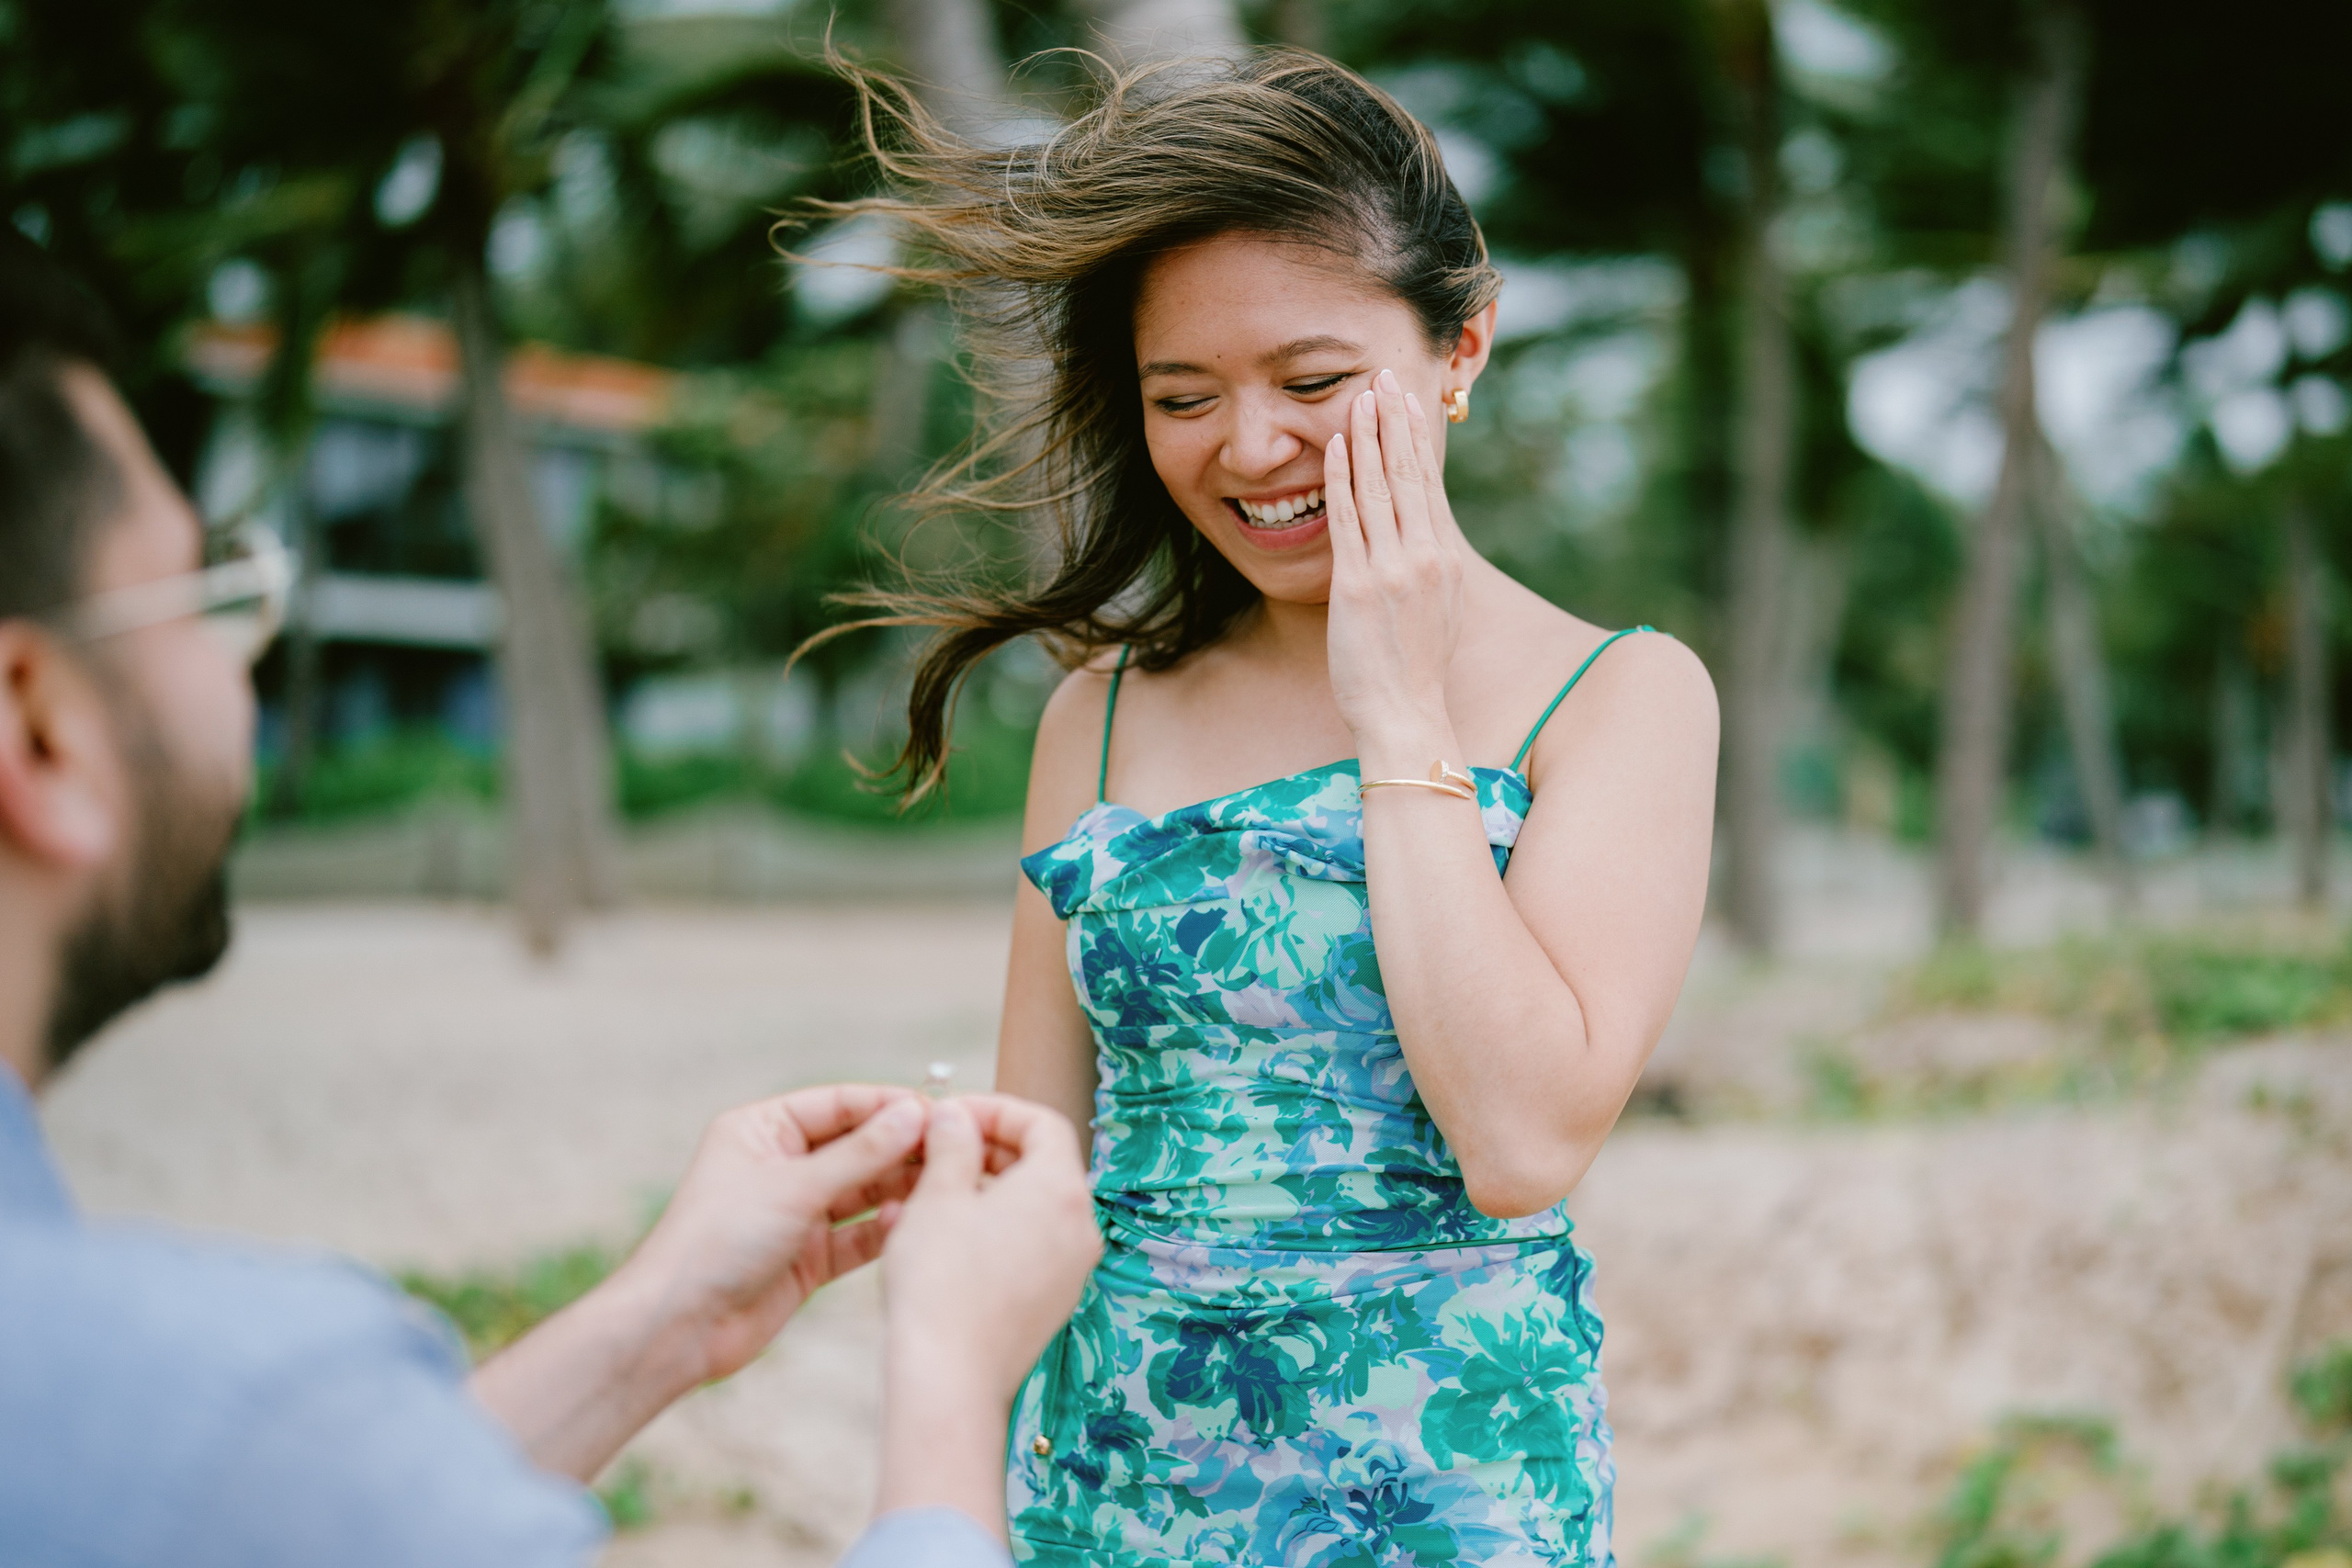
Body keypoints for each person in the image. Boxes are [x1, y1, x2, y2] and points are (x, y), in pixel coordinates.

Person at [0, 232, 1102, 1567]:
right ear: (39, 726)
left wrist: (661, 1322)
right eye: (213, 593)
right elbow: (269, 1473)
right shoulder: (236, 1405)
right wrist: (949, 1383)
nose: (249, 655)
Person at [819, 51, 1720, 1564]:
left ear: (1464, 348)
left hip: (1452, 1495)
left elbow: (1518, 1141)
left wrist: (1397, 707)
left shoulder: (1623, 695)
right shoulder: (1098, 713)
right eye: (1184, 397)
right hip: (1110, 1493)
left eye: (1312, 384)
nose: (1248, 449)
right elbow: (1036, 1176)